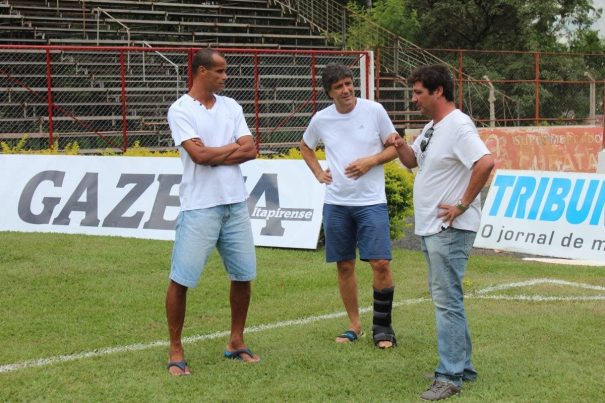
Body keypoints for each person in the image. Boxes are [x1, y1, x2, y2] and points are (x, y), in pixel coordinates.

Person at [385, 64, 494, 400]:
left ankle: (449, 377)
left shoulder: (458, 125)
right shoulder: (433, 127)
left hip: (450, 227)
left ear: (438, 91)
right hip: (435, 228)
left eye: (418, 92)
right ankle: (463, 368)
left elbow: (486, 162)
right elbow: (412, 162)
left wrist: (461, 205)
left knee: (447, 301)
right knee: (448, 299)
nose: (413, 98)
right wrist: (398, 143)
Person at [164, 48, 260, 376]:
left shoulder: (231, 106)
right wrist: (231, 148)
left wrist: (213, 151)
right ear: (202, 71)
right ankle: (176, 349)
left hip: (235, 203)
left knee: (243, 275)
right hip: (199, 206)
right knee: (182, 279)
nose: (225, 76)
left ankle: (236, 341)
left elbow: (252, 149)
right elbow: (198, 158)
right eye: (219, 71)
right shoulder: (180, 110)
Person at [299, 62, 399, 349]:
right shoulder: (321, 119)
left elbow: (395, 146)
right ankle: (354, 324)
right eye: (338, 87)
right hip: (337, 203)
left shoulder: (374, 110)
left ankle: (383, 327)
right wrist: (319, 172)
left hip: (371, 202)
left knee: (380, 263)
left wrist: (371, 161)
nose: (346, 90)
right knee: (344, 265)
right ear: (329, 93)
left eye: (348, 83)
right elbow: (306, 146)